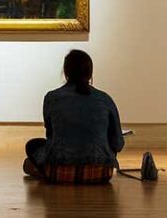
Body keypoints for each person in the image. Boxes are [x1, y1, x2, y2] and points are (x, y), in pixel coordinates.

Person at [24, 50, 124, 184]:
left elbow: (51, 136)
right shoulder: (105, 99)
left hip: (59, 172)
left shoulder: (52, 98)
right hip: (101, 173)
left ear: (66, 73)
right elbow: (118, 144)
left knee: (33, 145)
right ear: (90, 73)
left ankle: (40, 171)